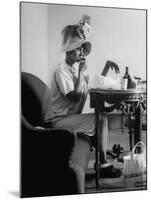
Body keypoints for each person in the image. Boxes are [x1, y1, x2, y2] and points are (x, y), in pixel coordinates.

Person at [44, 15, 121, 178]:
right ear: (68, 50)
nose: (81, 52)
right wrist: (80, 72)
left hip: (70, 117)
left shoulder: (77, 68)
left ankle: (102, 157)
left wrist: (105, 67)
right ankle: (102, 164)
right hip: (57, 121)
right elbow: (75, 95)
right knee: (100, 119)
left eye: (81, 48)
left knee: (102, 117)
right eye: (78, 48)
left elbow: (93, 84)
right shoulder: (62, 70)